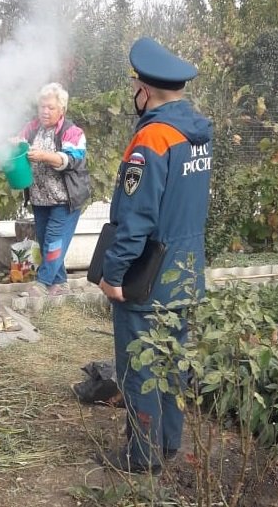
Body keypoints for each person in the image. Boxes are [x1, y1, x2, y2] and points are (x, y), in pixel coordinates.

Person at [97, 37, 213, 474]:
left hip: (146, 277)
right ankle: (166, 444)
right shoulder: (197, 133)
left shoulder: (152, 139)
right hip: (184, 273)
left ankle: (140, 458)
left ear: (143, 91)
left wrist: (113, 274)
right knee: (172, 362)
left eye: (134, 89)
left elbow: (137, 218)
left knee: (141, 367)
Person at [16, 82, 91, 297]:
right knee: (44, 239)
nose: (45, 111)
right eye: (42, 107)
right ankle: (61, 284)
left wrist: (44, 156)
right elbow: (19, 142)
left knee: (54, 241)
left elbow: (72, 159)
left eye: (50, 107)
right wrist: (13, 144)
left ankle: (42, 283)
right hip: (40, 198)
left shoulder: (72, 132)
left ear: (62, 110)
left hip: (64, 199)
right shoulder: (32, 128)